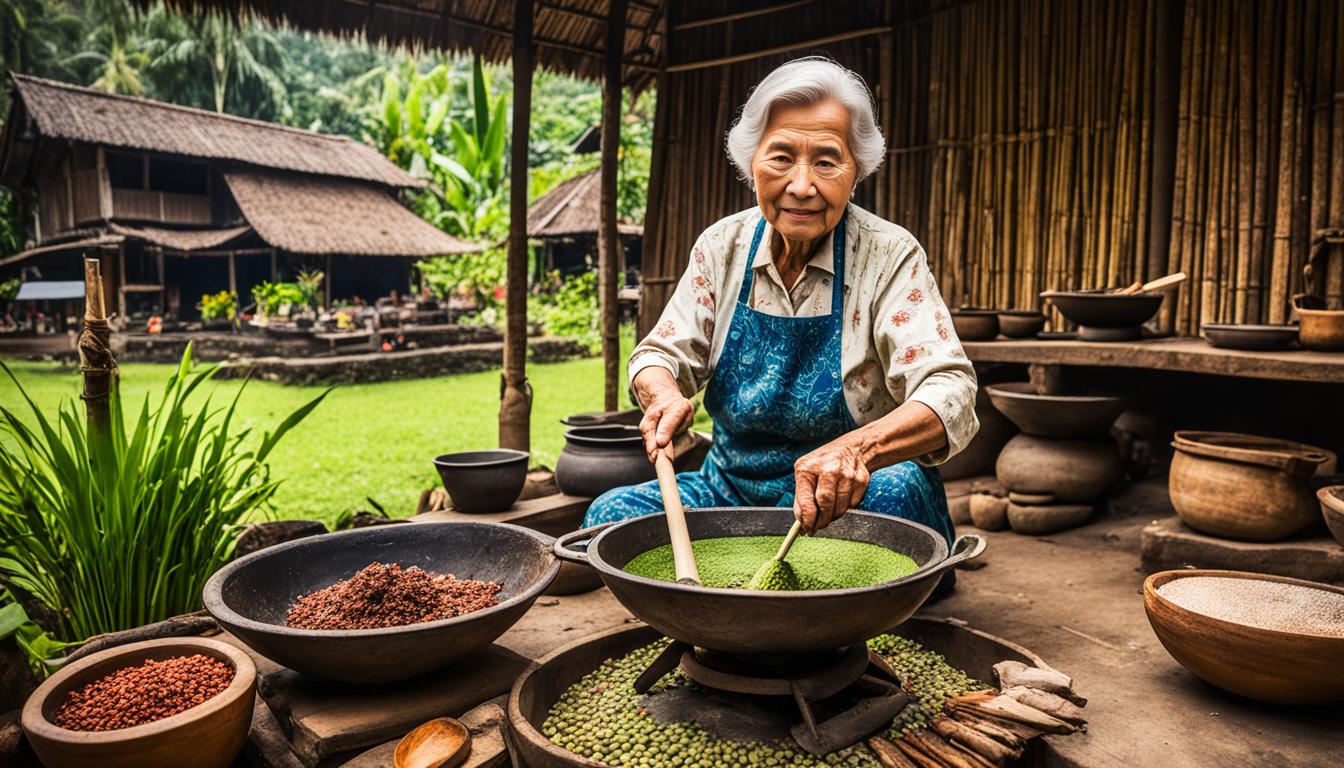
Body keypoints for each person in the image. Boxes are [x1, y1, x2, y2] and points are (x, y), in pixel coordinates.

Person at [585, 58, 978, 551]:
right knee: (611, 515)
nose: (801, 185)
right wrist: (662, 393)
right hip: (731, 493)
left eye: (827, 161)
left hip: (851, 497)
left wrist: (857, 450)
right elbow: (659, 355)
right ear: (751, 163)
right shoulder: (721, 247)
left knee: (897, 492)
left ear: (856, 172)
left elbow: (951, 388)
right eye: (781, 157)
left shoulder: (888, 254)